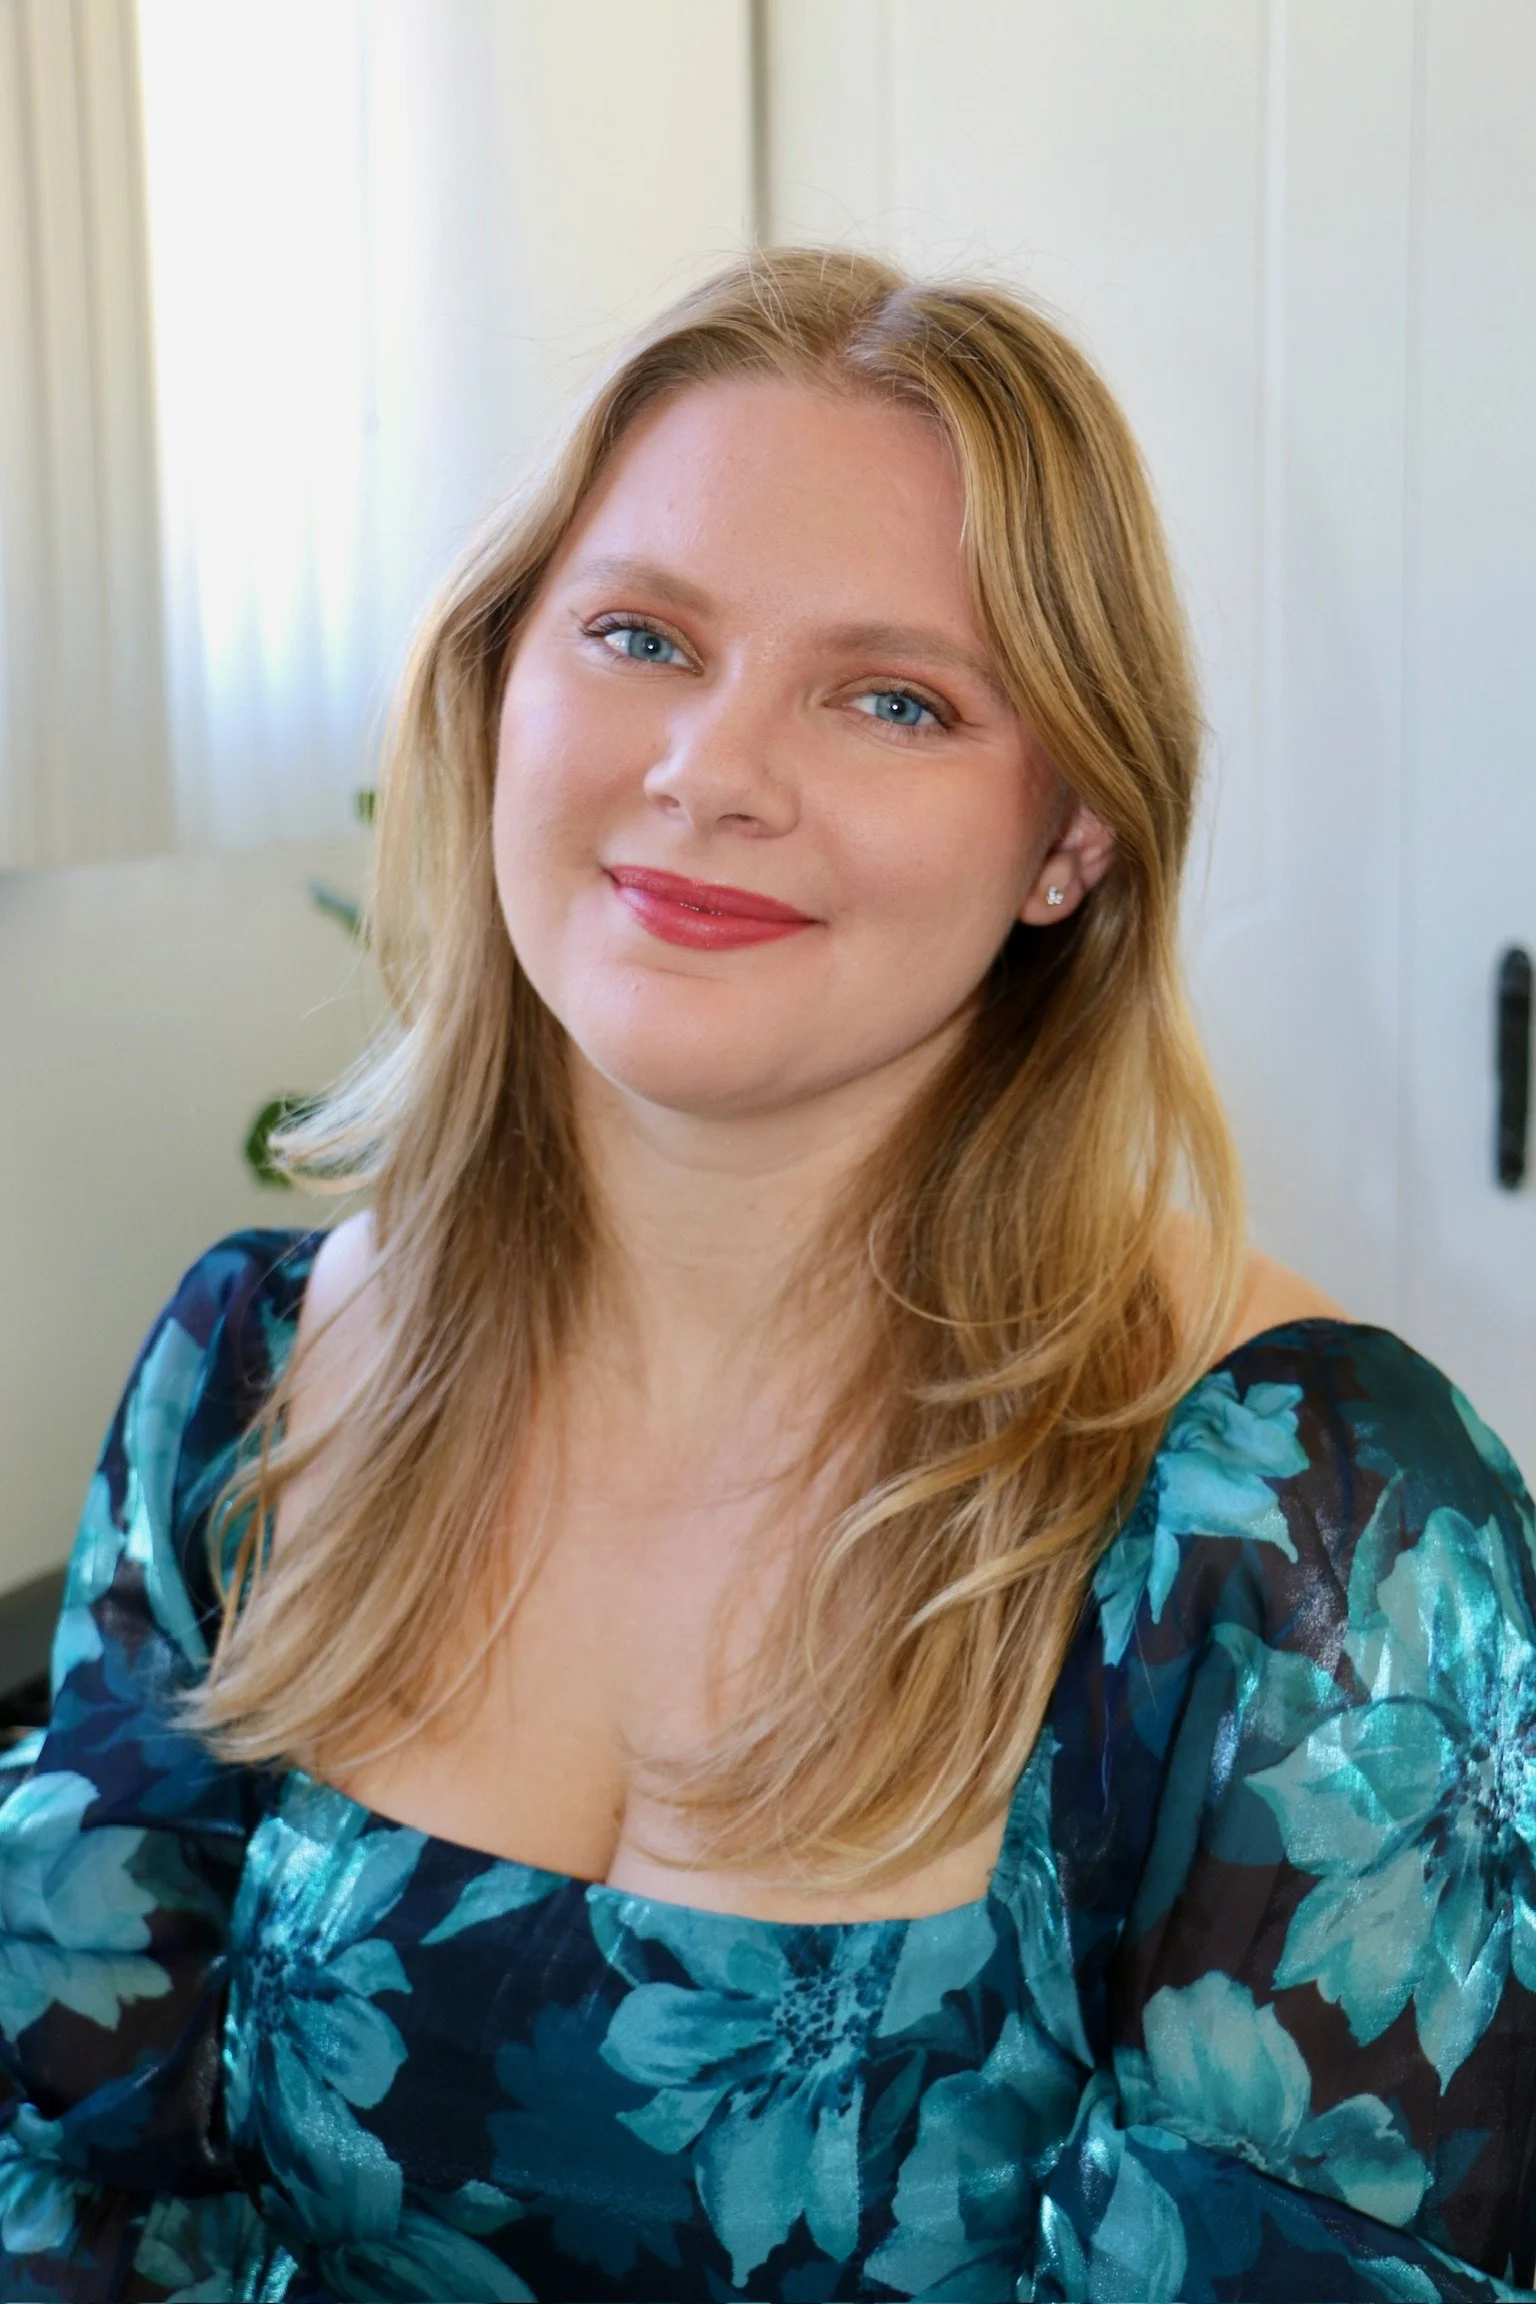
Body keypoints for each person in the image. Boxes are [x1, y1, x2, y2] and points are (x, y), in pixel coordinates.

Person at [1, 246, 1532, 2304]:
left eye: (893, 696)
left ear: (1068, 836)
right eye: (642, 634)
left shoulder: (1313, 1526)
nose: (715, 773)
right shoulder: (252, 1370)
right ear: (498, 685)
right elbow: (81, 2178)